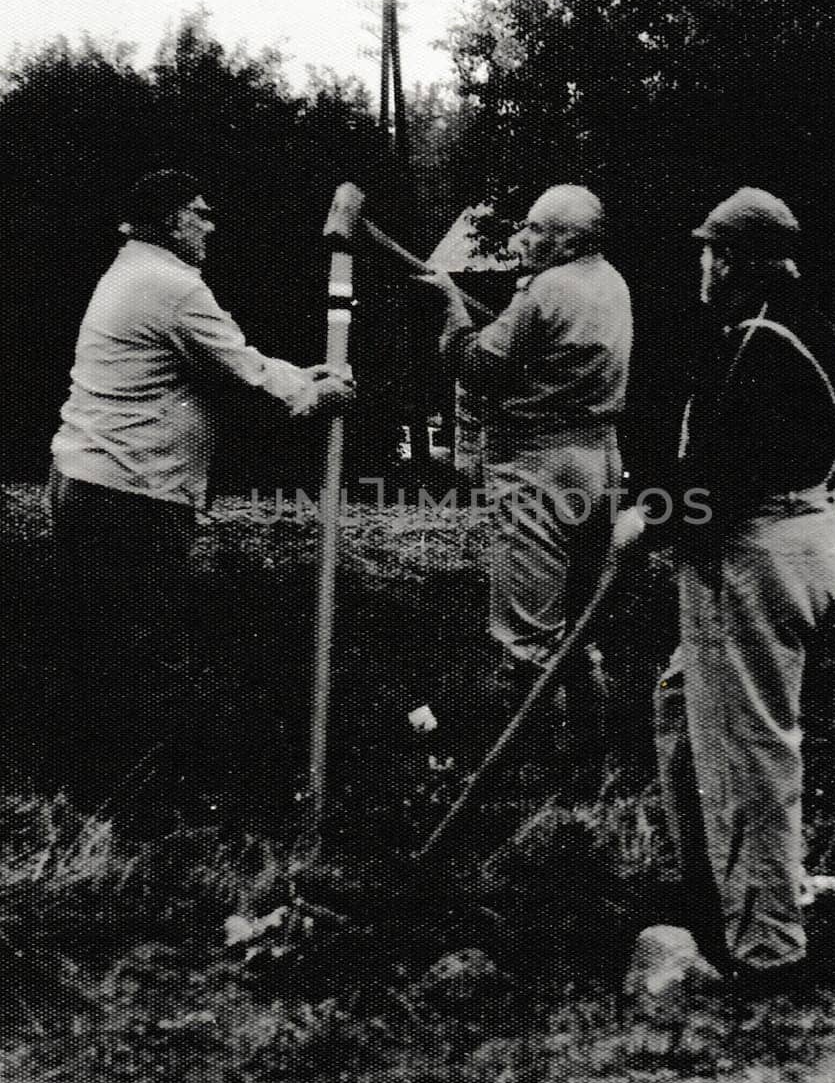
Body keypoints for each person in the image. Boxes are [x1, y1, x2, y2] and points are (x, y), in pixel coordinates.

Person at [47, 168, 354, 812]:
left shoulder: (132, 273)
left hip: (98, 480)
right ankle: (133, 807)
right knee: (141, 647)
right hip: (128, 492)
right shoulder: (171, 284)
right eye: (199, 213)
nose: (210, 226)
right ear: (167, 221)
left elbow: (230, 360)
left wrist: (300, 374)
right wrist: (316, 392)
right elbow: (239, 373)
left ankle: (98, 798)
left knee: (109, 644)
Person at [664, 186, 835, 998]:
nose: (701, 265)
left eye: (710, 252)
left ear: (734, 262)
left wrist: (650, 513)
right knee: (680, 709)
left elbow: (722, 476)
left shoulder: (757, 345)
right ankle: (711, 894)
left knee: (744, 751)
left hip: (752, 550)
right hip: (809, 534)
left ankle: (766, 949)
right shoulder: (815, 332)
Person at [418, 184, 633, 785]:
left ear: (568, 240)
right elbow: (532, 346)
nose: (524, 239)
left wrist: (451, 309)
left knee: (527, 635)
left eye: (537, 231)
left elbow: (473, 362)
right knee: (580, 625)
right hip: (599, 463)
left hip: (538, 465)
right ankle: (594, 764)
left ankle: (529, 779)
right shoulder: (611, 284)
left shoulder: (546, 290)